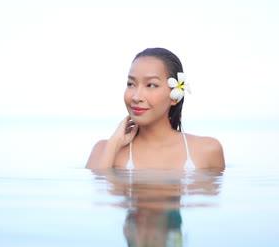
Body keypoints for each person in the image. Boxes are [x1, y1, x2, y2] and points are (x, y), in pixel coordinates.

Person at [86, 47, 225, 170]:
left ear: (174, 96)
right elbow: (102, 197)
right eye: (131, 84)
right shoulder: (103, 150)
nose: (136, 96)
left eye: (151, 85)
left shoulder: (207, 150)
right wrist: (114, 144)